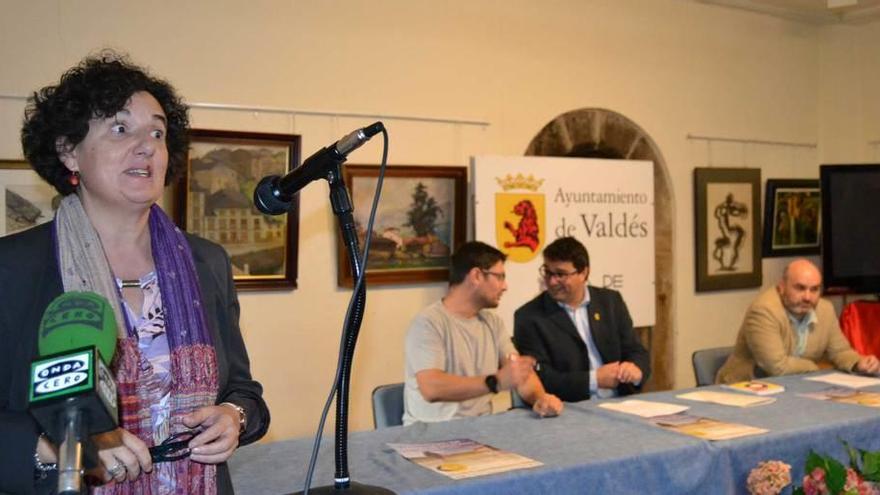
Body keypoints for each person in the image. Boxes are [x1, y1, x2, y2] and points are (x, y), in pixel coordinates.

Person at [0, 51, 269, 494]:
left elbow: (243, 389)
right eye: (120, 128)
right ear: (69, 152)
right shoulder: (13, 269)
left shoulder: (208, 263)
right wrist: (59, 447)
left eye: (158, 132)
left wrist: (234, 417)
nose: (146, 145)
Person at [403, 241, 563, 425]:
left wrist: (540, 399)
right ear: (477, 276)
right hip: (432, 434)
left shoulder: (493, 323)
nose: (505, 286)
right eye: (500, 277)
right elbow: (431, 388)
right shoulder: (428, 323)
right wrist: (494, 382)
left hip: (481, 430)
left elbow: (519, 373)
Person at [513, 237, 650, 402]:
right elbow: (542, 379)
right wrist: (594, 380)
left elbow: (636, 351)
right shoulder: (529, 317)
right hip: (568, 410)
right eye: (548, 272)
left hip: (620, 402)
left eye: (561, 274)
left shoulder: (610, 302)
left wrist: (635, 368)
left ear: (584, 273)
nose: (551, 281)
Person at [716, 259, 880, 384]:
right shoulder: (764, 310)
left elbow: (840, 352)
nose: (807, 297)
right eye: (800, 288)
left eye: (814, 289)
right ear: (782, 287)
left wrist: (859, 363)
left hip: (796, 387)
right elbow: (777, 367)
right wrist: (816, 368)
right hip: (745, 388)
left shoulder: (825, 310)